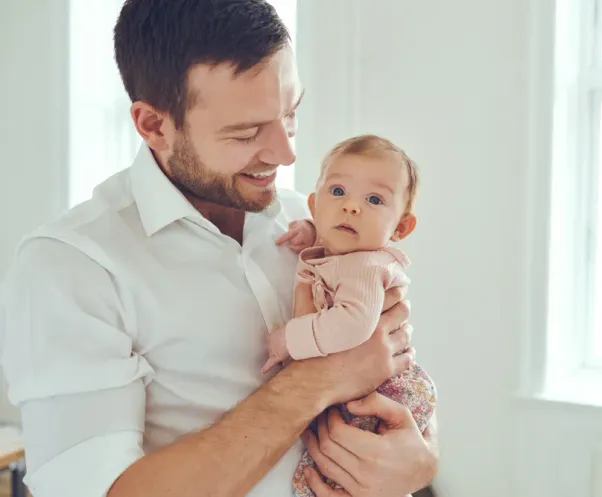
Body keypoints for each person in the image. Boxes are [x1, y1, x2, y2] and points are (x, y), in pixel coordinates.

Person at [0, 1, 438, 496]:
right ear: (153, 125)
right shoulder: (69, 266)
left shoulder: (313, 223)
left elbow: (396, 371)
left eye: (290, 114)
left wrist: (417, 464)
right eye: (247, 132)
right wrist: (318, 379)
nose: (285, 152)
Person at [266, 135, 438, 497]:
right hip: (369, 384)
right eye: (338, 192)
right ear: (314, 205)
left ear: (400, 228)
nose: (350, 208)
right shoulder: (346, 250)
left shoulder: (365, 266)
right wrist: (312, 232)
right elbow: (335, 240)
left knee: (339, 472)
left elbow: (352, 324)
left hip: (383, 393)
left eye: (374, 200)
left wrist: (289, 339)